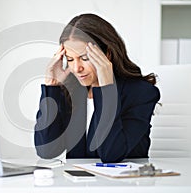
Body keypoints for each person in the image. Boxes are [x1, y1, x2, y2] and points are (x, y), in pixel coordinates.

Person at [34, 13, 160, 163]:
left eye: (85, 58)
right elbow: (46, 150)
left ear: (107, 54)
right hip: (77, 183)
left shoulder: (141, 93)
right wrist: (51, 88)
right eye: (70, 59)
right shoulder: (71, 90)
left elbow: (111, 154)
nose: (76, 68)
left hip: (125, 184)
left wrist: (106, 88)